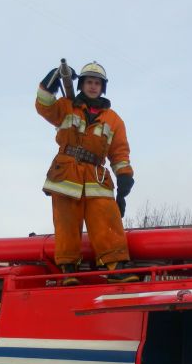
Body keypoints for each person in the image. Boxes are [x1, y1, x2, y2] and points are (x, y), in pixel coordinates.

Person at [36, 61, 138, 285]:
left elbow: (120, 152)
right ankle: (68, 268)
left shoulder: (114, 119)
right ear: (81, 84)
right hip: (66, 173)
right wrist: (50, 81)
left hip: (96, 175)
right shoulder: (66, 106)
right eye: (89, 82)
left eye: (97, 83)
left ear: (103, 87)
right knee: (66, 223)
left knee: (107, 218)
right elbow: (44, 106)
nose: (93, 86)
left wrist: (124, 179)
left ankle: (116, 265)